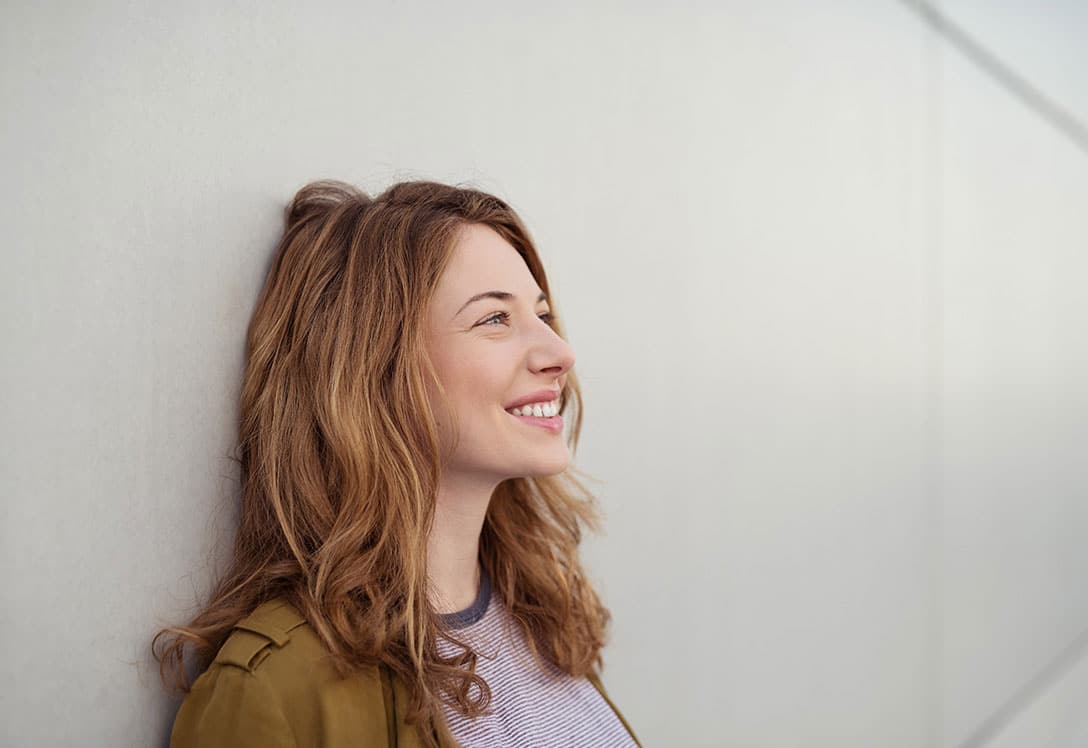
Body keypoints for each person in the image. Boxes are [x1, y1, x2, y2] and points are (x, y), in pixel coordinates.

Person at [153, 179, 641, 747]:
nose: (561, 353)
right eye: (494, 320)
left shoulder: (545, 622)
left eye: (542, 314)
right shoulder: (270, 691)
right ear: (378, 369)